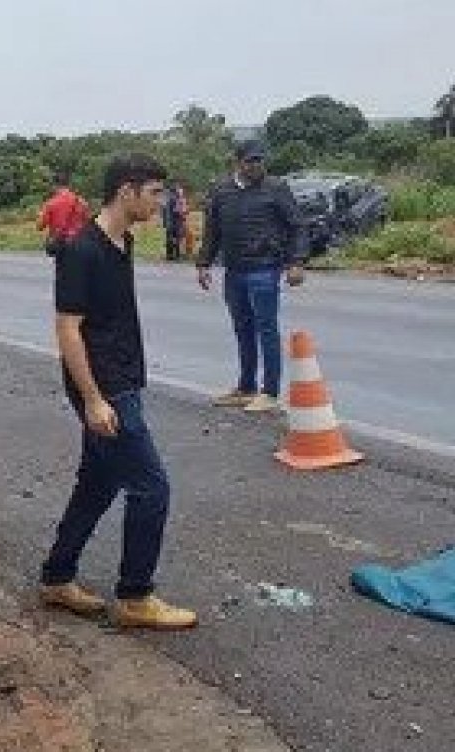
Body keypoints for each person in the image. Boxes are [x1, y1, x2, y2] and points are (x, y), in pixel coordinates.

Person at [38, 153, 197, 630]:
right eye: (153, 192)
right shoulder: (81, 250)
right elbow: (68, 330)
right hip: (104, 388)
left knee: (98, 484)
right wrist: (92, 399)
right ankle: (135, 595)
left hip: (122, 379)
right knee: (152, 487)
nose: (160, 202)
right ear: (127, 191)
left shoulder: (122, 242)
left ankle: (57, 577)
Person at [195, 140, 306, 414]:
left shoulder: (276, 189)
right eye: (250, 161)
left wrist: (296, 262)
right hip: (234, 270)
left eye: (260, 160)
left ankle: (270, 392)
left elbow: (297, 226)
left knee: (266, 329)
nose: (256, 166)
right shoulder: (221, 191)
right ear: (238, 163)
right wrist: (203, 263)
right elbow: (212, 231)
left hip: (265, 268)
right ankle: (246, 387)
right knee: (242, 329)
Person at [37, 173, 90, 258]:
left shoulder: (51, 204)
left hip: (60, 244)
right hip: (79, 243)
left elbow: (39, 226)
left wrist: (40, 215)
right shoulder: (81, 202)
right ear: (68, 185)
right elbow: (88, 223)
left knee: (63, 269)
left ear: (55, 185)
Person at [161, 180, 186, 261]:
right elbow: (178, 211)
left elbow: (163, 210)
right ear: (177, 190)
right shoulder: (176, 199)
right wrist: (183, 212)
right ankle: (177, 256)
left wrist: (164, 221)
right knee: (177, 239)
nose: (181, 191)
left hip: (168, 222)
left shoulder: (167, 198)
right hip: (175, 222)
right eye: (180, 190)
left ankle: (169, 256)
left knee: (169, 239)